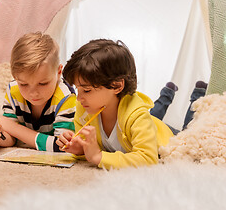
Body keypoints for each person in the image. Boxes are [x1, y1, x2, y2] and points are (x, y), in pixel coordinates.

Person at [56, 39, 174, 169]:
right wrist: (80, 149)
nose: (79, 98)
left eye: (87, 90)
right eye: (78, 89)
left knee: (192, 130)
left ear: (116, 86)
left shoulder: (137, 115)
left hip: (169, 137)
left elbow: (148, 160)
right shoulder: (84, 109)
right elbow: (91, 151)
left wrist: (99, 157)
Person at [0, 32, 76, 152]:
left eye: (43, 83)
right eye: (24, 84)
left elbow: (62, 147)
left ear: (58, 73)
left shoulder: (66, 98)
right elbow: (12, 139)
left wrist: (13, 128)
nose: (33, 93)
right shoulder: (13, 90)